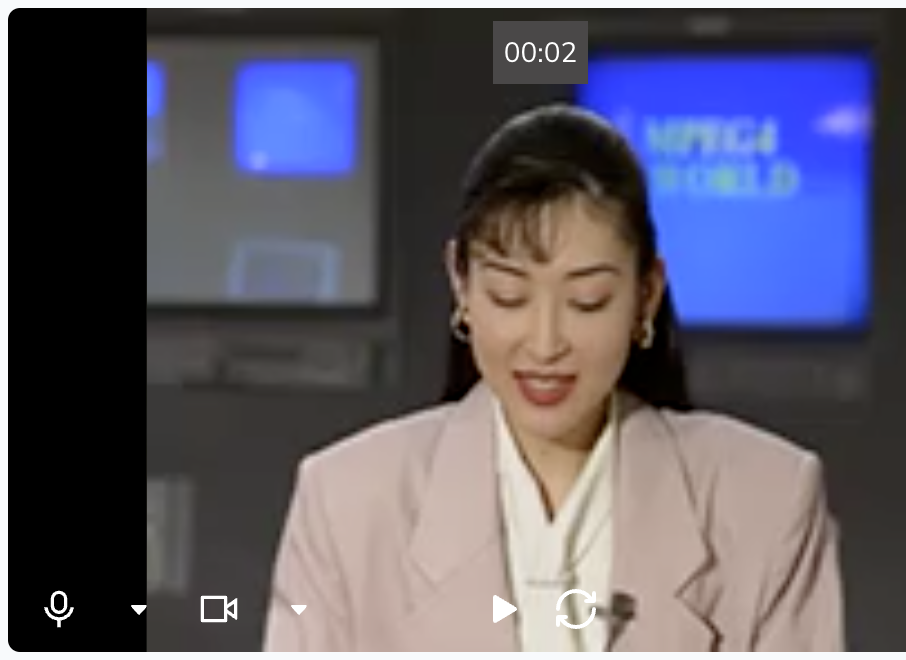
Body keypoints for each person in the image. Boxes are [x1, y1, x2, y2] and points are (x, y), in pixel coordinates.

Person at [263, 104, 845, 652]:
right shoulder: (347, 503)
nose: (544, 344)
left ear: (646, 295)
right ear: (462, 285)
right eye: (508, 296)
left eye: (587, 301)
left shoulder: (767, 501)